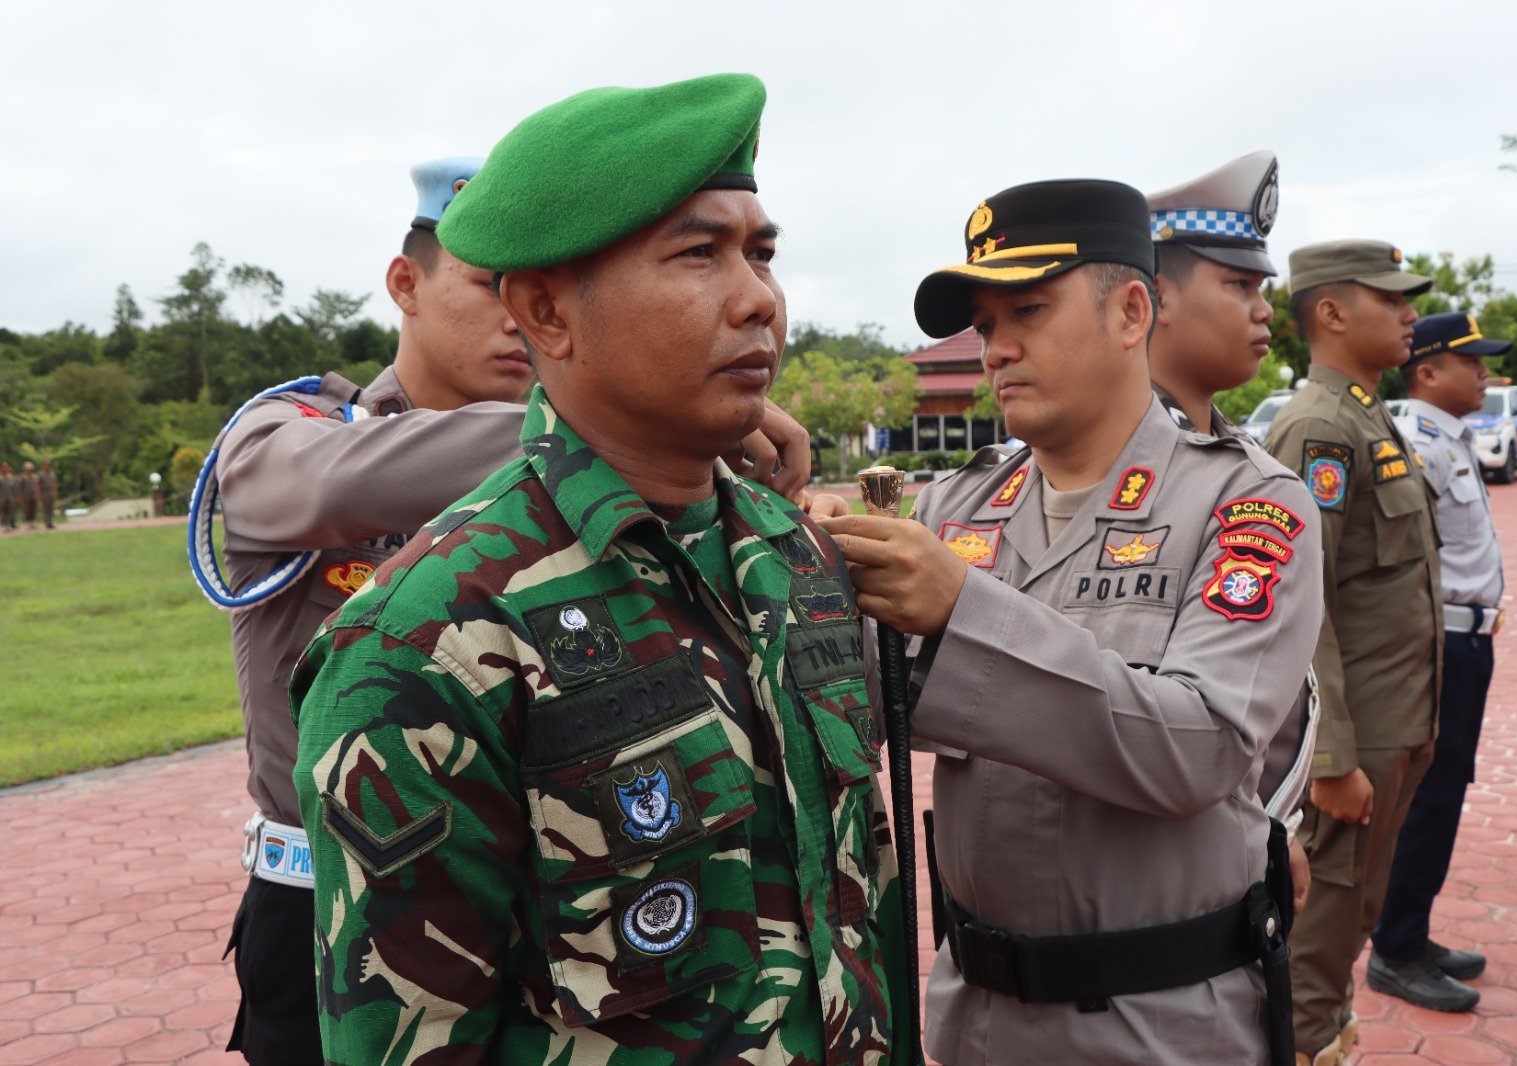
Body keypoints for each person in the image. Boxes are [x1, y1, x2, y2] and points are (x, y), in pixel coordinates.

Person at [291, 74, 916, 1064]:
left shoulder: (796, 560)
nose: (758, 298)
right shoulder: (431, 635)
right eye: (698, 254)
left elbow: (860, 916)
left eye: (760, 253)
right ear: (546, 312)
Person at [206, 154, 819, 1063]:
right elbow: (332, 482)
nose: (518, 313)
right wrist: (624, 411)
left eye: (544, 284)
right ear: (405, 284)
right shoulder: (291, 437)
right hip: (319, 900)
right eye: (492, 284)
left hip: (567, 893)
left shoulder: (615, 481)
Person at [822, 178, 1321, 1064]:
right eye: (984, 326)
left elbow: (1199, 745)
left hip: (1159, 1022)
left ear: (1132, 312)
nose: (997, 349)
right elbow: (848, 695)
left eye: (1029, 311)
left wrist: (962, 613)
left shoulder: (1244, 501)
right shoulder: (952, 505)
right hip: (977, 1017)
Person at [1261, 241, 1443, 1066]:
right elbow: (1310, 603)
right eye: (1391, 298)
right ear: (1331, 313)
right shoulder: (1321, 425)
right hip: (1357, 737)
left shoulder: (1368, 414)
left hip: (1395, 722)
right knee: (1320, 938)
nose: (1411, 314)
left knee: (1351, 924)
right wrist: (1330, 756)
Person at [1147, 150, 1316, 914]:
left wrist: (1276, 825)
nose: (1263, 310)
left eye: (1262, 289)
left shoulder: (1233, 453)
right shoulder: (1107, 467)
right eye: (1239, 285)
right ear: (1154, 299)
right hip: (1164, 878)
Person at [1367, 312, 1507, 1011]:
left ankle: (1409, 932)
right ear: (1427, 372)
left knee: (1446, 789)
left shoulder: (1451, 437)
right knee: (1429, 796)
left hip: (1469, 640)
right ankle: (1394, 949)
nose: (1484, 374)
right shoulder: (1414, 443)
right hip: (1440, 641)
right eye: (1471, 362)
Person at [17, 461, 39, 527]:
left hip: (34, 496)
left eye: (31, 469)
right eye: (28, 469)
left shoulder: (35, 476)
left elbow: (37, 486)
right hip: (26, 496)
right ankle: (28, 523)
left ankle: (32, 522)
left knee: (33, 509)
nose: (30, 470)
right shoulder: (22, 477)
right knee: (27, 510)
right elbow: (19, 487)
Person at [38, 458, 56, 529]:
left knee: (51, 508)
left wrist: (55, 491)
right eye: (46, 465)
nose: (48, 466)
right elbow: (38, 485)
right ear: (43, 465)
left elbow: (54, 483)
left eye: (49, 465)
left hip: (51, 492)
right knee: (46, 508)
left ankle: (50, 522)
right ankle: (46, 523)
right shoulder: (40, 474)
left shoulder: (52, 473)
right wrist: (39, 495)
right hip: (44, 492)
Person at [0, 462, 14, 531]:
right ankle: (4, 525)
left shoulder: (10, 477)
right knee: (2, 511)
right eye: (4, 467)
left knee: (9, 510)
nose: (5, 468)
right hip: (1, 497)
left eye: (6, 467)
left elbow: (12, 487)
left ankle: (8, 525)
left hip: (9, 496)